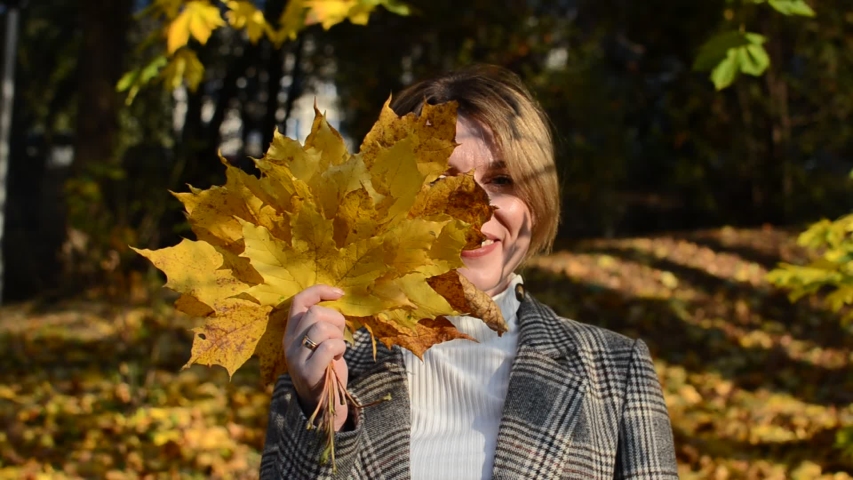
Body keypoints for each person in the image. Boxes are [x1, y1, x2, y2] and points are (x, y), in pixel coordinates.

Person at [260, 65, 678, 479]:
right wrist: (323, 416)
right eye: (442, 180)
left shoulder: (616, 371)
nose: (477, 207)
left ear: (537, 199)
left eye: (502, 179)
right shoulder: (321, 360)